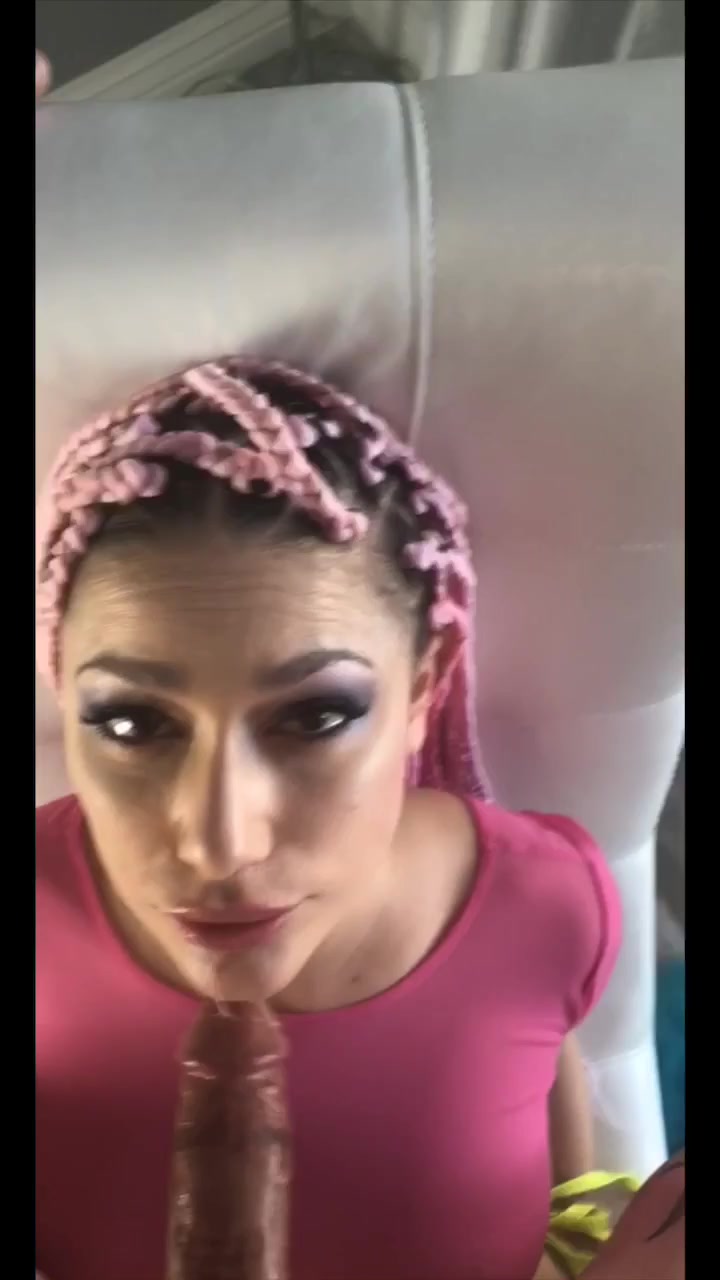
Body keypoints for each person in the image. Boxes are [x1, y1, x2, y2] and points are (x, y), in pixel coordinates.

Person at [37, 354, 621, 1280]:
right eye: (133, 723)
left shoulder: (551, 900)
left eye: (314, 716)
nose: (221, 845)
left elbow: (567, 1171)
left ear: (422, 689)